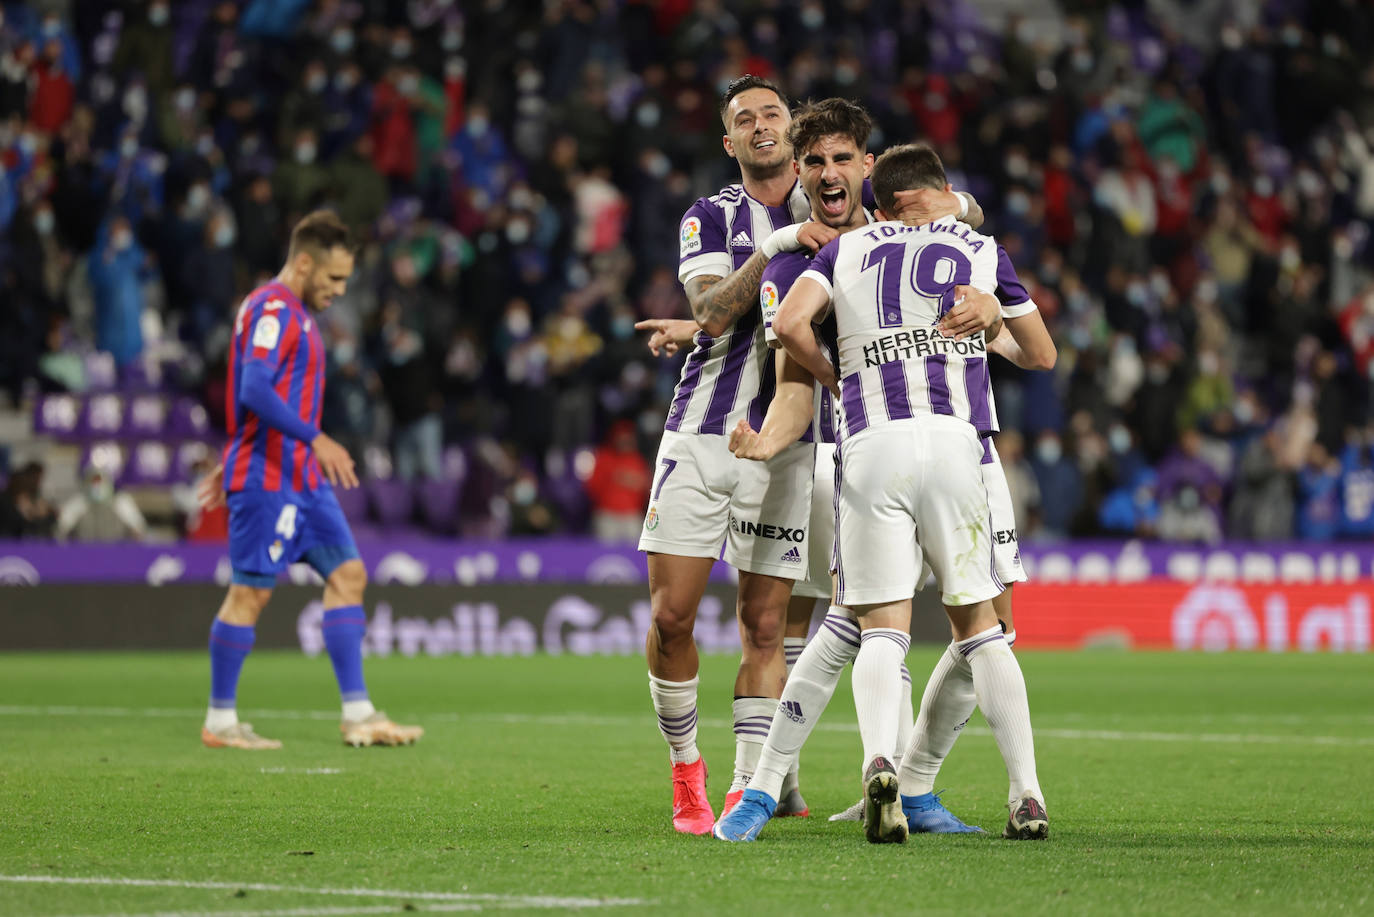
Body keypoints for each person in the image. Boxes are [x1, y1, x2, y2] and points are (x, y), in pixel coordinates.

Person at [639, 76, 985, 835]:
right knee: (673, 617)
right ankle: (691, 767)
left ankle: (750, 784)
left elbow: (948, 208)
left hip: (805, 442)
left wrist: (954, 207)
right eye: (745, 119)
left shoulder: (839, 206)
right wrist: (767, 254)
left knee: (778, 624)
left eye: (774, 114)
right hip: (705, 429)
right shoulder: (716, 217)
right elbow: (712, 313)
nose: (763, 127)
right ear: (731, 141)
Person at [711, 106, 1053, 842]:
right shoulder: (807, 254)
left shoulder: (890, 234)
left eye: (843, 159)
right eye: (815, 163)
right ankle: (773, 783)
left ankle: (900, 779)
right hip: (906, 450)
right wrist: (774, 439)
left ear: (869, 167)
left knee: (901, 626)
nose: (829, 174)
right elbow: (794, 381)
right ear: (799, 175)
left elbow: (793, 331)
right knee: (875, 623)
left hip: (926, 450)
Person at [195, 210, 422, 751]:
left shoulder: (296, 314)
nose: (340, 291)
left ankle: (359, 714)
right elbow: (253, 388)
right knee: (250, 593)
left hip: (299, 477)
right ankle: (220, 722)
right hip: (272, 475)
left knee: (348, 575)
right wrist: (314, 439)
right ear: (303, 263)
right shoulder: (274, 308)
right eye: (334, 279)